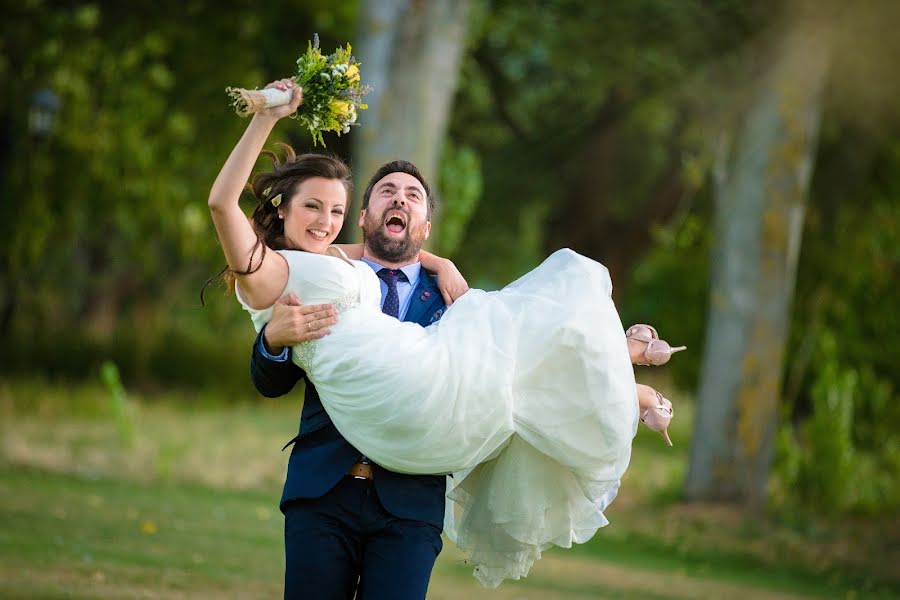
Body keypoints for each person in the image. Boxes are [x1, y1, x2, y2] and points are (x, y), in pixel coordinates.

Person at [209, 79, 679, 593]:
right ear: (365, 219)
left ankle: (617, 365)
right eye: (385, 192)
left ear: (425, 225)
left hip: (409, 493)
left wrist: (434, 263)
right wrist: (274, 339)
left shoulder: (433, 286)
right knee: (506, 354)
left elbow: (350, 255)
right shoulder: (277, 273)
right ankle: (621, 364)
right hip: (325, 490)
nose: (325, 221)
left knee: (502, 344)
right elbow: (223, 208)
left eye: (412, 197)